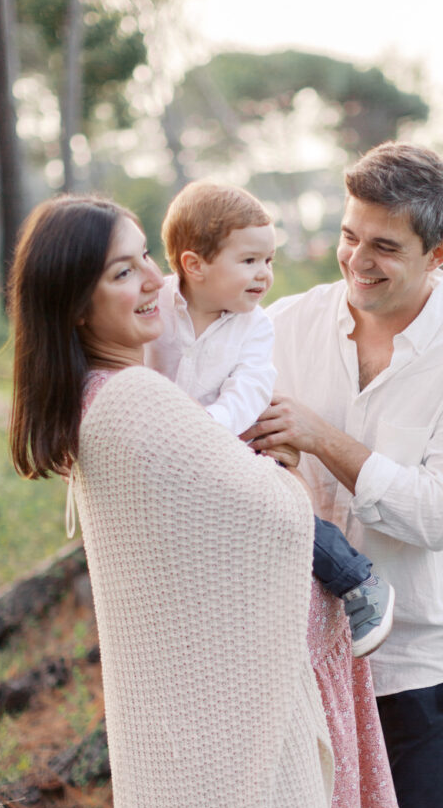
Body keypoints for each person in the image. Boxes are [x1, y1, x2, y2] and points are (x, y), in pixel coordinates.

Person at [7, 195, 351, 808]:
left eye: (147, 262)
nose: (157, 282)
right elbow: (280, 518)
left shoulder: (103, 396)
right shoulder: (135, 399)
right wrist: (285, 470)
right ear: (74, 305)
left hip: (187, 727)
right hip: (218, 744)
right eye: (123, 272)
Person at [245, 142, 443, 808]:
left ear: (437, 254)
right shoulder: (285, 325)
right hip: (300, 648)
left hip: (423, 653)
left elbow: (437, 517)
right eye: (347, 235)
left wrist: (322, 439)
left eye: (384, 246)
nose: (355, 260)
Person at [144, 180, 395, 658]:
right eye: (249, 261)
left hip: (235, 444)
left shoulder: (255, 325)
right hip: (170, 454)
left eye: (269, 261)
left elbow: (251, 389)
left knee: (281, 512)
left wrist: (209, 428)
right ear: (194, 265)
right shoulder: (156, 304)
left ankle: (359, 582)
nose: (264, 275)